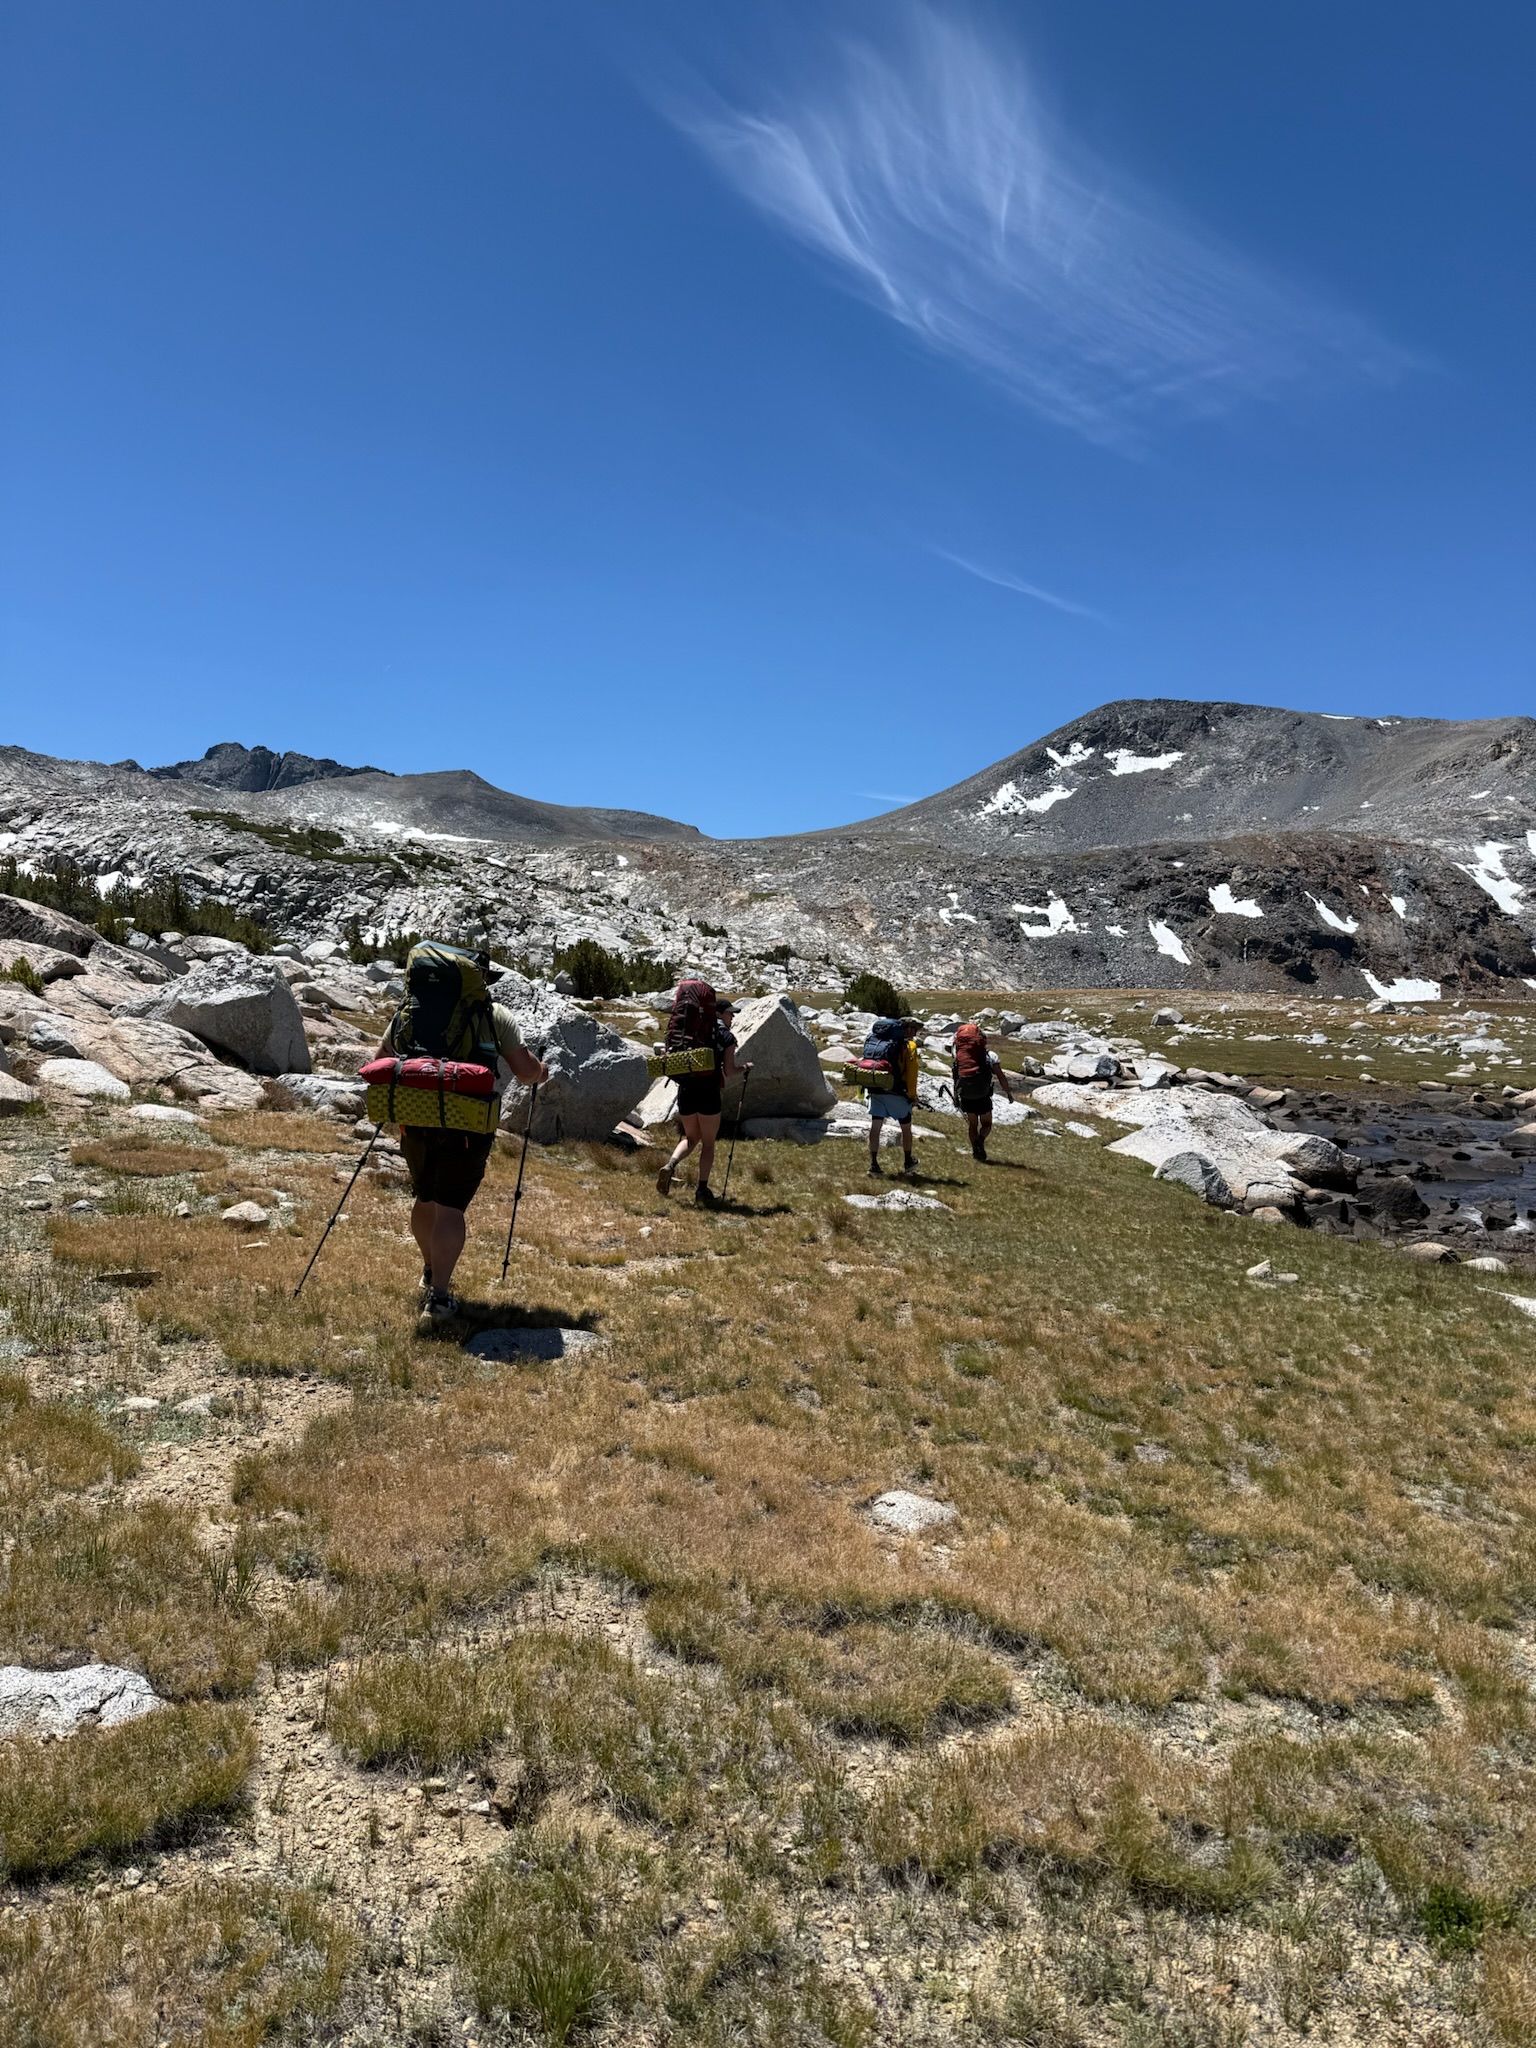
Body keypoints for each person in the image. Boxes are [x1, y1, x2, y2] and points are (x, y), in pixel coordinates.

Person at [373, 970, 548, 1331]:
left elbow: (380, 1060)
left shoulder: (409, 1012)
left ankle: (429, 1270)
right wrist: (542, 1072)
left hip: (415, 1121)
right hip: (466, 1125)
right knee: (450, 1207)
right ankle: (438, 1298)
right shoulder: (494, 1015)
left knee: (424, 1198)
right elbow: (525, 1071)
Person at [655, 985, 749, 1208]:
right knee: (708, 1144)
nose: (732, 1018)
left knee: (690, 1137)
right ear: (718, 1013)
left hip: (686, 1089)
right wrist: (745, 1067)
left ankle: (670, 1164)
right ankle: (702, 1189)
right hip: (709, 1092)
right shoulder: (726, 1036)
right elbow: (729, 1070)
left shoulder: (689, 1032)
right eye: (730, 1013)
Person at [865, 1014, 921, 1177]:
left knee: (876, 1127)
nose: (915, 1032)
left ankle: (874, 1164)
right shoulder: (908, 1046)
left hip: (876, 1089)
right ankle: (908, 1161)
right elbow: (912, 1073)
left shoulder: (875, 1041)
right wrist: (912, 1095)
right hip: (897, 1092)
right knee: (906, 1128)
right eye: (914, 1029)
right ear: (907, 1029)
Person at [951, 1020, 1015, 1162]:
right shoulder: (990, 1056)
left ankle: (975, 1149)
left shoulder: (959, 1056)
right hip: (983, 1094)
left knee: (973, 1124)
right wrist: (1008, 1093)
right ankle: (980, 1141)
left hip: (965, 1093)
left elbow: (955, 1076)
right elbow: (1001, 1076)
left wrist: (956, 1096)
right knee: (986, 1124)